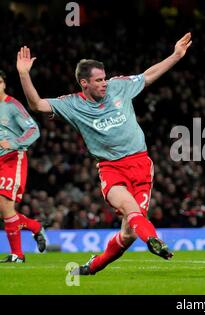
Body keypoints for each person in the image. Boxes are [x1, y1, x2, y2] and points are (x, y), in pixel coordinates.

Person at [16, 32, 192, 275]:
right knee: (133, 212)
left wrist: (176, 55)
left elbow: (148, 76)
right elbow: (36, 105)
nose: (104, 83)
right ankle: (154, 240)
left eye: (104, 78)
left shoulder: (118, 87)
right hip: (111, 168)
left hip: (141, 164)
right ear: (84, 84)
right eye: (98, 80)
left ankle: (93, 266)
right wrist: (24, 74)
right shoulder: (72, 105)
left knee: (129, 234)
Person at [0, 70, 47, 263]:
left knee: (5, 206)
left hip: (12, 158)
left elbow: (33, 129)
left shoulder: (12, 105)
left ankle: (18, 255)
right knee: (4, 210)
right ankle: (35, 227)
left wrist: (16, 143)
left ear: (3, 84)